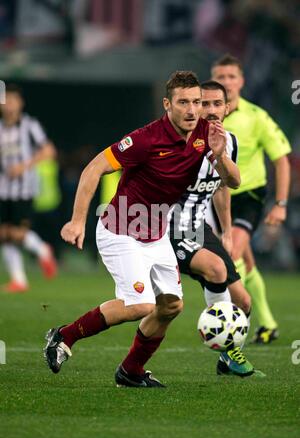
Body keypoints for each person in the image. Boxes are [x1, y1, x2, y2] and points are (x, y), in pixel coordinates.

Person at [44, 71, 240, 388]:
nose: (192, 110)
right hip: (120, 231)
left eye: (197, 102)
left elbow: (232, 181)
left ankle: (131, 372)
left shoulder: (207, 134)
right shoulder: (146, 139)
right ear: (167, 104)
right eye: (183, 102)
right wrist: (77, 220)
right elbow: (94, 167)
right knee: (141, 306)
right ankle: (63, 336)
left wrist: (220, 156)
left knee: (171, 306)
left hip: (155, 233)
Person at [169, 80, 253, 376]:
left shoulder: (229, 141)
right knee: (162, 303)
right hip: (169, 227)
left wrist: (226, 231)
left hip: (200, 228)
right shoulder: (181, 139)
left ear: (227, 108)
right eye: (205, 103)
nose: (212, 110)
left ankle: (226, 360)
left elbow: (225, 185)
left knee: (243, 300)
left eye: (218, 104)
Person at [210, 54, 291, 343]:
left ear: (242, 81)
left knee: (231, 255)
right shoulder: (202, 118)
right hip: (215, 196)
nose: (226, 81)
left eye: (232, 76)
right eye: (220, 76)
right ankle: (268, 324)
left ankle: (232, 329)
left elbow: (282, 159)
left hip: (249, 196)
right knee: (246, 260)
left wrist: (280, 205)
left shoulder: (257, 117)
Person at [0, 84, 58, 292]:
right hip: (3, 189)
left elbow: (49, 150)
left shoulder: (29, 126)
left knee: (16, 233)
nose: (9, 105)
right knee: (4, 234)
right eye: (6, 100)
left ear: (20, 103)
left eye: (13, 100)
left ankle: (43, 250)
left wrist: (23, 166)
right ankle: (19, 280)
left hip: (23, 189)